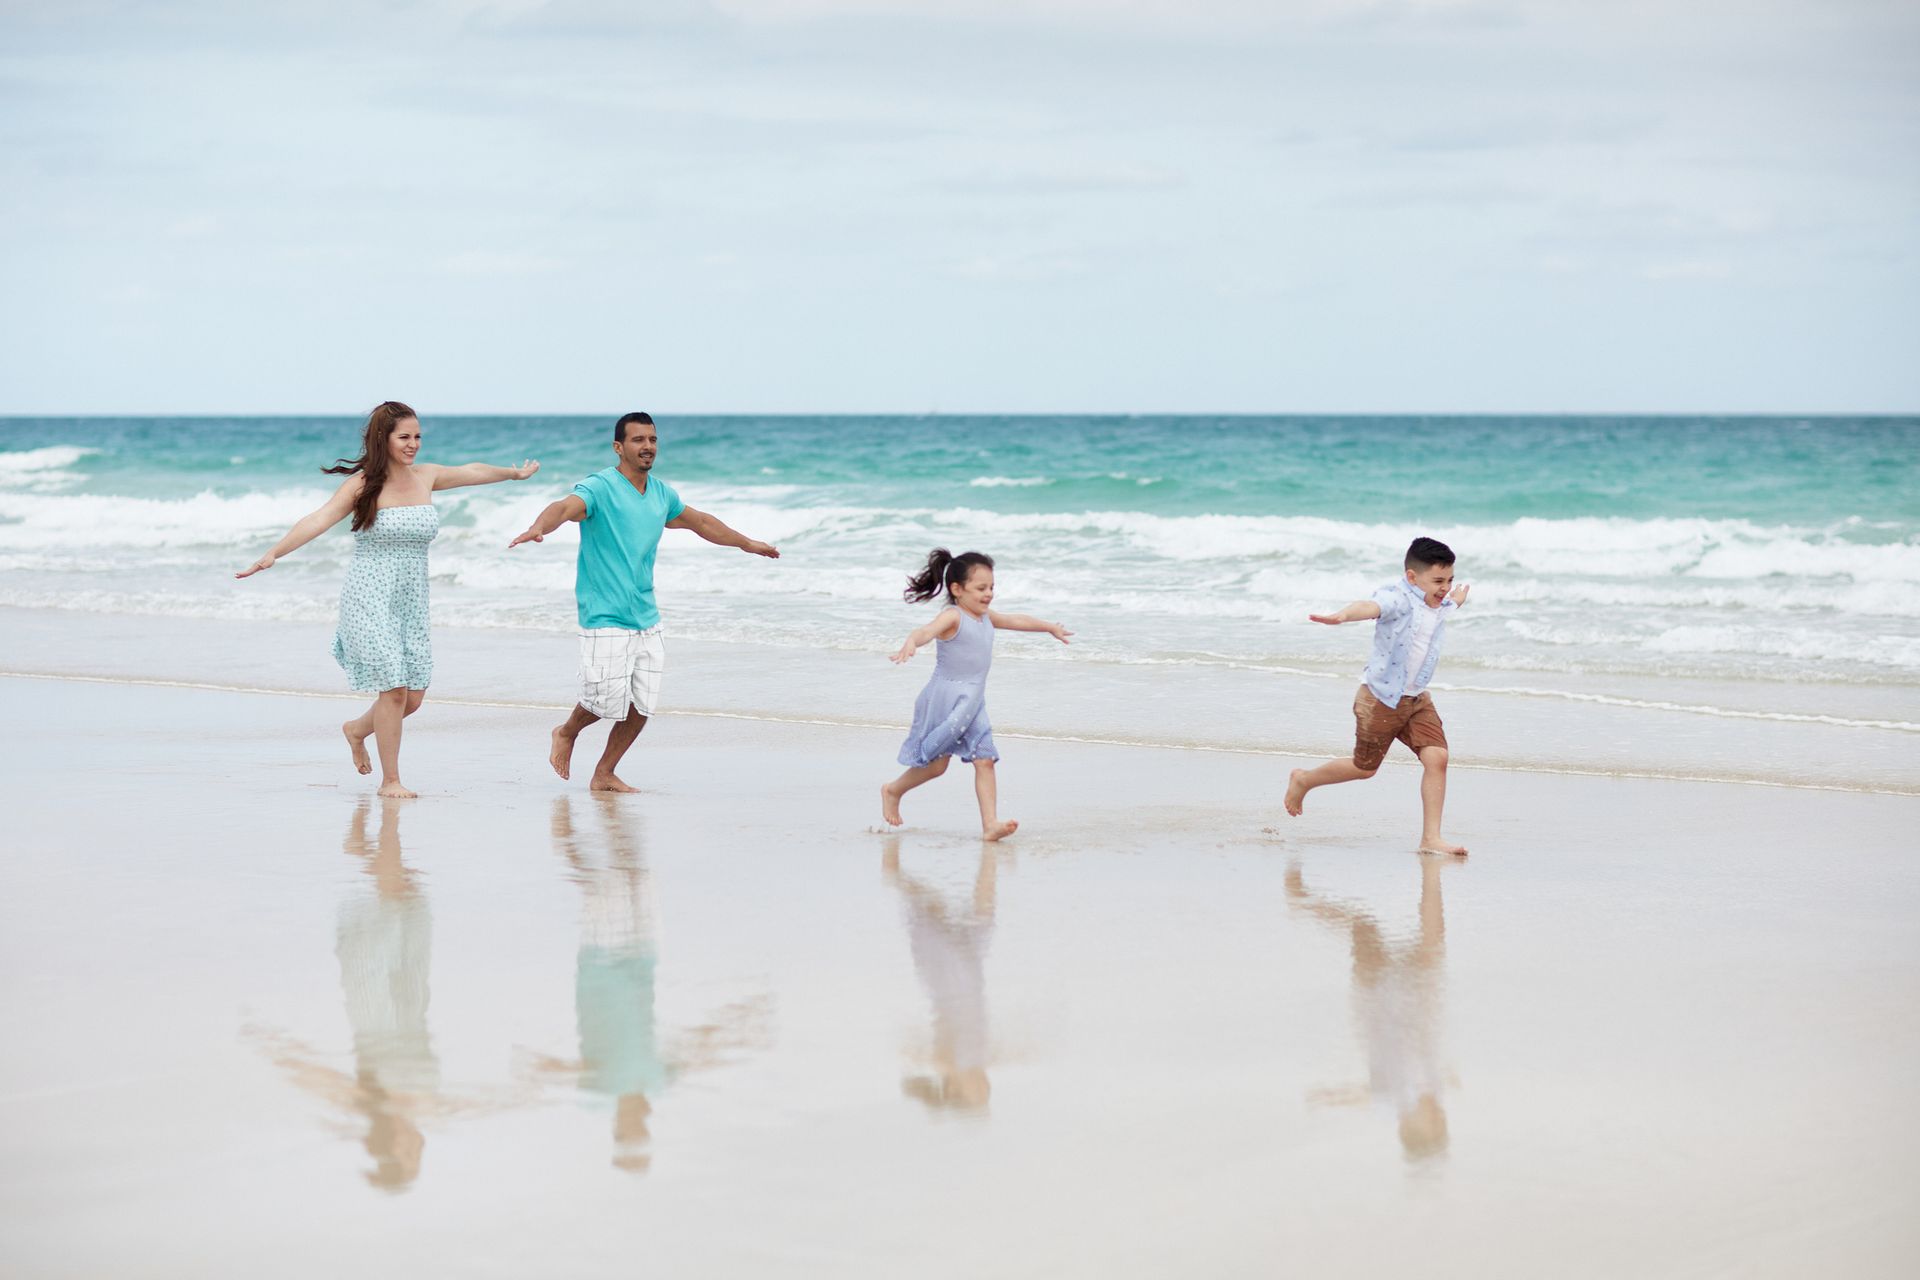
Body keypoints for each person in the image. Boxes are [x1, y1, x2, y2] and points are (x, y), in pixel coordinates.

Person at [237, 401, 539, 798]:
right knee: (393, 690)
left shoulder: (426, 477)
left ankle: (355, 730)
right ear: (384, 438)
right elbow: (318, 518)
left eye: (417, 437)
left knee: (411, 699)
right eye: (405, 437)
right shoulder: (364, 485)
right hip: (369, 597)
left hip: (411, 601)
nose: (413, 444)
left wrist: (513, 475)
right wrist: (273, 553)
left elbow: (471, 471)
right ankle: (390, 781)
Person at [510, 411, 779, 792]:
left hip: (645, 614)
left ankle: (604, 773)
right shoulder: (600, 487)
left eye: (652, 440)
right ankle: (566, 732)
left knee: (641, 704)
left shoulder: (661, 494)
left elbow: (702, 522)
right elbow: (564, 508)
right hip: (604, 613)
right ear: (619, 447)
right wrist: (540, 526)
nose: (647, 447)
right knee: (603, 700)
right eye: (638, 440)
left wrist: (747, 543)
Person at [1284, 536, 1471, 855]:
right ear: (1412, 577)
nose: (1444, 587)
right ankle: (1303, 780)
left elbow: (1446, 604)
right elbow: (1370, 606)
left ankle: (1431, 839)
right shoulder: (1398, 598)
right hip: (1381, 699)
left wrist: (1454, 596)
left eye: (1449, 579)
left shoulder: (1438, 603)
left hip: (1417, 700)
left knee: (1437, 758)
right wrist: (1342, 615)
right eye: (1438, 580)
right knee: (1365, 769)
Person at [882, 548, 1072, 841]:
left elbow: (1016, 620)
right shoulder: (953, 616)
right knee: (937, 767)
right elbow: (926, 631)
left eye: (992, 587)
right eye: (981, 588)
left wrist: (1048, 627)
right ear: (957, 589)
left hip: (973, 702)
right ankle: (893, 789)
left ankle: (990, 825)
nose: (989, 594)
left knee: (985, 759)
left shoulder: (985, 617)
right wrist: (911, 642)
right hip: (947, 700)